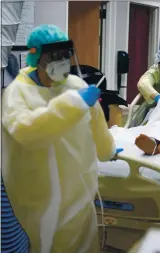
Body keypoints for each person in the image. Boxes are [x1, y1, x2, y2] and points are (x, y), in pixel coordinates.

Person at [1, 24, 122, 253]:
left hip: (77, 189)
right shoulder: (17, 92)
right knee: (43, 243)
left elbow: (96, 123)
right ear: (37, 57)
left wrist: (109, 152)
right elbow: (25, 130)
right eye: (54, 56)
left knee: (81, 244)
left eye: (66, 54)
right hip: (36, 190)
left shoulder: (75, 85)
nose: (62, 61)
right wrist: (73, 104)